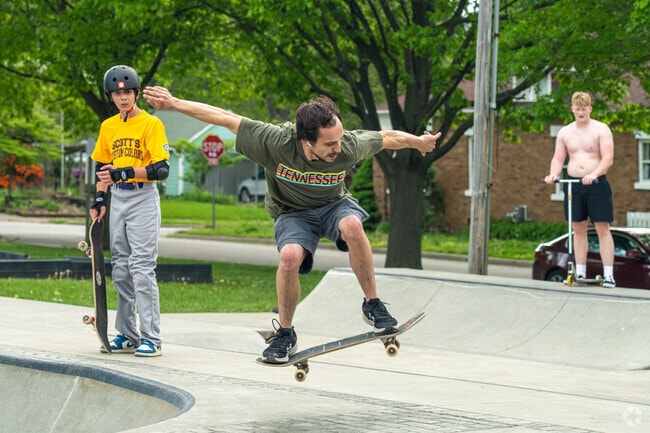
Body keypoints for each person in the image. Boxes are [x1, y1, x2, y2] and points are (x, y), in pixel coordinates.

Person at [143, 85, 440, 362]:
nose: (338, 149)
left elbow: (387, 138)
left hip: (333, 205)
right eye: (329, 144)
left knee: (352, 225)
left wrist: (419, 142)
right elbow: (223, 117)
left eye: (339, 140)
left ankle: (372, 304)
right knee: (288, 258)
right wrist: (173, 103)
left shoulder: (347, 145)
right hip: (292, 213)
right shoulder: (274, 141)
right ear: (305, 140)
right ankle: (285, 333)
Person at [90, 65, 171, 356]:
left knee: (141, 268)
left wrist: (124, 173)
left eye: (127, 92)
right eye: (116, 93)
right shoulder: (108, 127)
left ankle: (152, 338)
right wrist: (99, 201)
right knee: (121, 269)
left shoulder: (151, 124)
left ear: (136, 93)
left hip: (142, 199)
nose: (122, 98)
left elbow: (161, 169)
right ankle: (127, 332)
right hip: (117, 199)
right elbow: (102, 167)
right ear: (110, 96)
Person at [544, 91, 615, 288]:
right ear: (572, 110)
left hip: (596, 184)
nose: (581, 112)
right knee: (578, 228)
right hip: (574, 184)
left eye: (584, 108)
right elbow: (558, 159)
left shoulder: (601, 129)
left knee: (602, 227)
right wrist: (553, 174)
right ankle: (580, 272)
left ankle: (608, 274)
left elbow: (607, 158)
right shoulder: (565, 132)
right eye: (577, 109)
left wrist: (594, 174)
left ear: (590, 109)